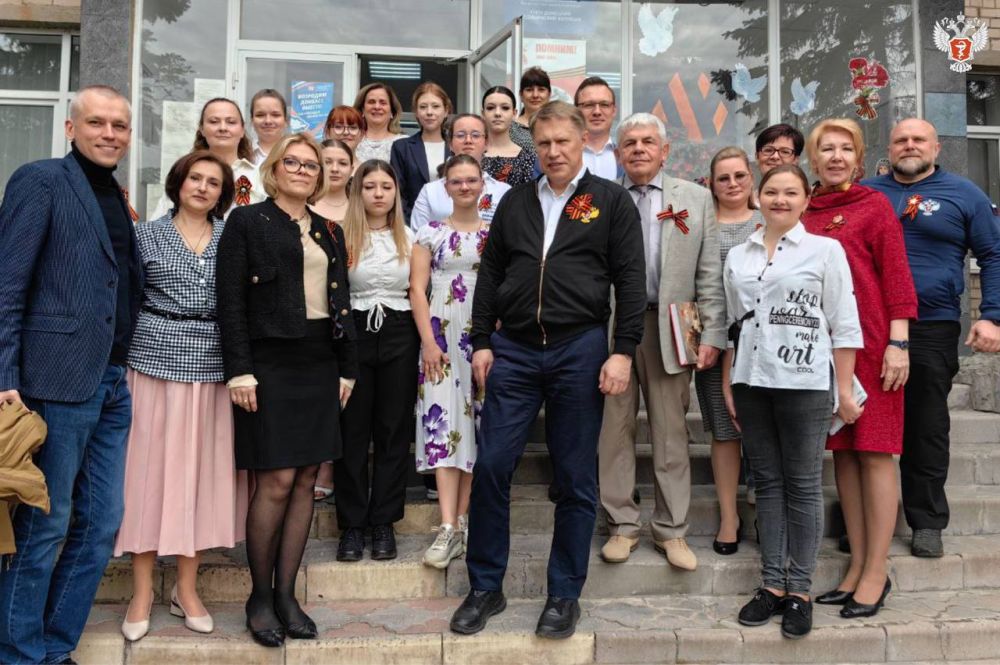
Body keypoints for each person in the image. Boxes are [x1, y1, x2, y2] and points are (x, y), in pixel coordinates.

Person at [450, 101, 645, 639]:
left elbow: (630, 281)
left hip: (579, 348)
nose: (554, 152)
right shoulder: (515, 201)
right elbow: (491, 273)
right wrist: (482, 340)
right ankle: (485, 587)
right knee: (492, 466)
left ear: (583, 141)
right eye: (545, 143)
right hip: (513, 350)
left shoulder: (610, 201)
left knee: (576, 476)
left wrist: (623, 350)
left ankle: (563, 594)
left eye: (563, 141)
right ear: (533, 146)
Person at [0, 85, 143, 664]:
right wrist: (4, 374)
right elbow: (7, 284)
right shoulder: (41, 181)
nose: (109, 133)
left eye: (119, 125)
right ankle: (18, 653)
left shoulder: (115, 195)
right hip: (53, 380)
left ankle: (54, 648)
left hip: (110, 381)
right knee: (45, 522)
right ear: (70, 128)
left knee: (102, 524)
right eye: (97, 122)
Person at [216, 132, 357, 648]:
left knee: (305, 480)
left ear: (320, 175)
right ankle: (259, 597)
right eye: (292, 163)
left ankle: (286, 595)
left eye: (310, 165)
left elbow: (342, 302)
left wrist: (347, 369)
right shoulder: (247, 221)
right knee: (275, 480)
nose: (301, 170)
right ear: (274, 169)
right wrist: (239, 371)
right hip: (269, 362)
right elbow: (229, 301)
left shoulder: (329, 230)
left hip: (320, 360)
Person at [723, 164, 863, 640]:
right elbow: (734, 323)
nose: (780, 200)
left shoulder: (825, 250)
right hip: (751, 380)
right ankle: (772, 585)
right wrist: (730, 381)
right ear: (758, 197)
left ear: (806, 200)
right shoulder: (739, 254)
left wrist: (844, 390)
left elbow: (844, 323)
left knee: (802, 485)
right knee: (767, 483)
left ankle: (799, 590)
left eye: (790, 192)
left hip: (805, 382)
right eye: (772, 191)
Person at [115, 150, 248, 641]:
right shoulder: (145, 235)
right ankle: (142, 592)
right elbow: (126, 299)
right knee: (146, 478)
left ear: (223, 193)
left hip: (211, 369)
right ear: (179, 182)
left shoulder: (231, 238)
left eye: (214, 182)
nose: (203, 187)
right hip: (151, 365)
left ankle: (186, 590)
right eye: (195, 178)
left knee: (197, 479)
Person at [864, 118, 1000, 557]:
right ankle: (869, 519)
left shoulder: (965, 194)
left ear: (936, 147)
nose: (909, 145)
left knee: (925, 424)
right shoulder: (868, 193)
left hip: (933, 324)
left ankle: (925, 521)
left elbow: (994, 254)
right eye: (901, 139)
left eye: (918, 139)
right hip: (869, 325)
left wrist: (992, 316)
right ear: (889, 148)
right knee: (868, 426)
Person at [597, 113, 725, 572]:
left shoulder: (695, 198)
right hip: (612, 328)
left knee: (671, 432)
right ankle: (622, 525)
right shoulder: (600, 198)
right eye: (629, 142)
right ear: (617, 153)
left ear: (665, 150)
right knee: (614, 429)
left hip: (673, 325)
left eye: (648, 141)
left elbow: (709, 271)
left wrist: (711, 333)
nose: (638, 149)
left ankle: (672, 530)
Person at [800, 119, 917, 619]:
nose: (836, 156)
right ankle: (856, 566)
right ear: (812, 159)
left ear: (859, 158)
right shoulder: (804, 209)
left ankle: (876, 571)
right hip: (821, 351)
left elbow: (897, 277)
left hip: (872, 346)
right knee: (844, 454)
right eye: (826, 149)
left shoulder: (875, 206)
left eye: (845, 149)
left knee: (874, 452)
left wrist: (898, 344)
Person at [334, 160, 418, 563]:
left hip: (400, 331)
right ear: (358, 191)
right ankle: (352, 524)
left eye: (386, 186)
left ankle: (384, 520)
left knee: (393, 429)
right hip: (355, 331)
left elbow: (419, 291)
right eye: (370, 186)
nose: (379, 193)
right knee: (352, 429)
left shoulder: (411, 237)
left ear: (396, 193)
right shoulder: (340, 237)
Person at [410, 154, 490, 568]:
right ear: (446, 186)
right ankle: (446, 526)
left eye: (471, 180)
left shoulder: (495, 234)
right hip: (440, 336)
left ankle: (464, 520)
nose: (464, 187)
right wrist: (427, 340)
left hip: (481, 337)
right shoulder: (429, 232)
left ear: (482, 185)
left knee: (477, 424)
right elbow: (416, 289)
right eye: (456, 181)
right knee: (442, 423)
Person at [697, 146, 762, 556]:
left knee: (761, 429)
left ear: (751, 178)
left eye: (740, 176)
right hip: (714, 342)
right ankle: (728, 516)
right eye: (724, 178)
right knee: (723, 431)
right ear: (711, 184)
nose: (732, 184)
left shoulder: (766, 220)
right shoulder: (702, 225)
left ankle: (765, 511)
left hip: (762, 345)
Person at [310, 138, 355, 500]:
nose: (335, 168)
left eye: (342, 162)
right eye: (327, 161)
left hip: (354, 305)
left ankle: (337, 466)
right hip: (315, 310)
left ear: (353, 168)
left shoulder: (360, 207)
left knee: (345, 392)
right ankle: (318, 464)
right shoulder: (306, 206)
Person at [151, 97, 264, 219]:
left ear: (242, 130)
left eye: (231, 122)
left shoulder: (260, 177)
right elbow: (160, 222)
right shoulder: (184, 173)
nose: (223, 128)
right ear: (202, 129)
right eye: (214, 121)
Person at [410, 114, 512, 229]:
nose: (468, 140)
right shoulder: (430, 191)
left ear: (486, 143)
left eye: (475, 135)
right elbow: (418, 235)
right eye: (460, 135)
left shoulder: (503, 191)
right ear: (450, 143)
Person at [391, 81, 454, 223]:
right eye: (423, 107)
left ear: (446, 111)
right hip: (412, 224)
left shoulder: (456, 146)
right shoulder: (402, 148)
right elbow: (398, 194)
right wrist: (409, 226)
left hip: (453, 225)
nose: (429, 112)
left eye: (436, 106)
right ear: (416, 113)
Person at [481, 86, 536, 187]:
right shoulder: (471, 153)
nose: (497, 113)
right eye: (490, 108)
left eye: (505, 108)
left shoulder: (528, 158)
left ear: (514, 113)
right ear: (483, 113)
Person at [575, 76, 621, 180]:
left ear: (614, 111)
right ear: (576, 111)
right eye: (589, 105)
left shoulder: (627, 155)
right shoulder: (560, 156)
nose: (597, 112)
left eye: (604, 104)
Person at [353, 83, 406, 163]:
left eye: (383, 103)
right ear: (362, 109)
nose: (377, 107)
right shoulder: (352, 141)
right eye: (371, 102)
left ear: (392, 111)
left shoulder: (404, 143)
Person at [512, 66, 551, 150]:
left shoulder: (558, 125)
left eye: (541, 90)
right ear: (521, 95)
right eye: (529, 90)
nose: (535, 95)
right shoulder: (510, 129)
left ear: (549, 94)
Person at [249, 88, 289, 166]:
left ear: (286, 120)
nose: (268, 121)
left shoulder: (298, 153)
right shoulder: (241, 154)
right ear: (252, 120)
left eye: (275, 115)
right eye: (260, 115)